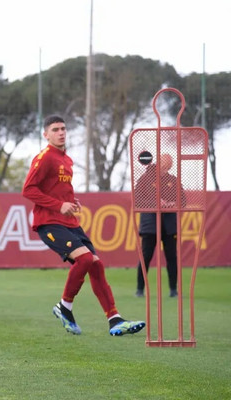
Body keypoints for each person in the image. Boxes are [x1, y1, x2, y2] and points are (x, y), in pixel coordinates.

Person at [22, 115, 145, 336]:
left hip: (69, 223)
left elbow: (58, 189)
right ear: (46, 134)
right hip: (49, 223)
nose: (61, 132)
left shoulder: (66, 160)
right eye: (55, 129)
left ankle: (114, 319)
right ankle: (64, 306)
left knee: (96, 265)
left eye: (63, 129)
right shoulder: (45, 158)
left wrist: (71, 201)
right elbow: (28, 190)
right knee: (86, 259)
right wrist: (59, 205)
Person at [135, 153, 186, 298]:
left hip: (169, 224)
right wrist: (155, 204)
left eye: (169, 165)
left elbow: (182, 201)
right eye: (164, 164)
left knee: (172, 257)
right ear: (158, 163)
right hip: (150, 224)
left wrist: (172, 204)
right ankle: (140, 288)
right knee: (146, 256)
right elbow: (138, 201)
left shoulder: (173, 180)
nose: (166, 167)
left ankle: (173, 289)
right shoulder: (146, 178)